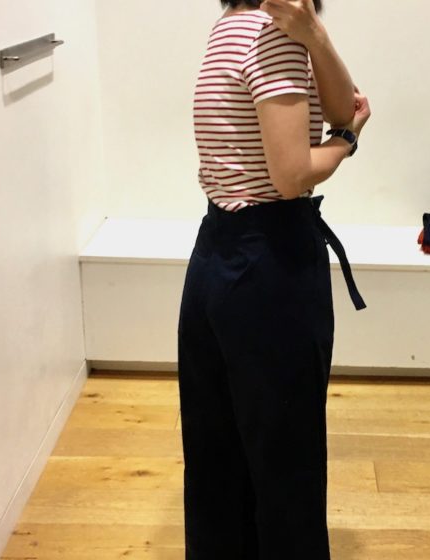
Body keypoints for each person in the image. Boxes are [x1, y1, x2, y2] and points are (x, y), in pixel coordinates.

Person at [177, 0, 371, 558]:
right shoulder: (273, 38)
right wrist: (346, 141)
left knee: (217, 456)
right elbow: (292, 175)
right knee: (287, 460)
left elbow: (342, 104)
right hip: (270, 268)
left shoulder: (229, 29)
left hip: (215, 258)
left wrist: (315, 35)